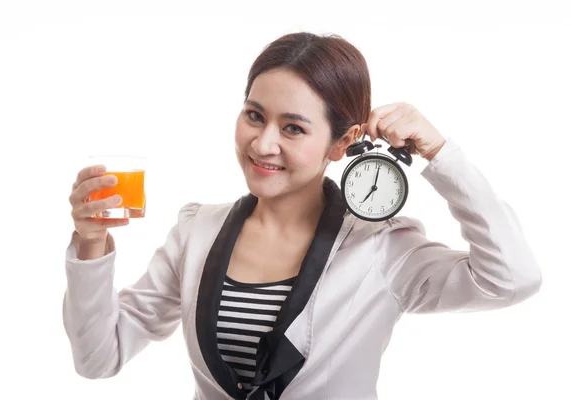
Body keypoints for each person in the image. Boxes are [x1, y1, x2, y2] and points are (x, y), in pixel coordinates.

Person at [63, 32, 542, 400]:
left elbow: (512, 279)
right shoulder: (196, 230)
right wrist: (89, 244)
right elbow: (99, 358)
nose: (263, 143)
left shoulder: (383, 248)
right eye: (254, 115)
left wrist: (441, 154)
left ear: (341, 142)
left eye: (293, 127)